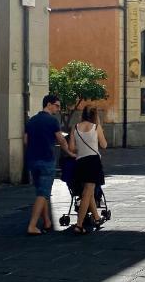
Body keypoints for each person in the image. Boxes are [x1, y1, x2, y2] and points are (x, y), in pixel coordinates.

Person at [25, 94, 74, 235]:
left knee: (42, 191)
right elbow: (62, 140)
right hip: (46, 160)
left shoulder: (31, 121)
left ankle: (47, 221)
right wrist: (70, 153)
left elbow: (25, 141)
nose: (58, 109)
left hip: (32, 160)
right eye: (57, 106)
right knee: (43, 193)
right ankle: (32, 225)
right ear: (48, 104)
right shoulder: (52, 121)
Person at [68, 106, 107, 234]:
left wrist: (80, 147)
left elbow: (71, 148)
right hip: (93, 162)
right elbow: (104, 145)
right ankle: (79, 225)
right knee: (87, 194)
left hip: (80, 162)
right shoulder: (96, 127)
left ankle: (96, 218)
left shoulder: (75, 128)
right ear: (94, 115)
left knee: (87, 192)